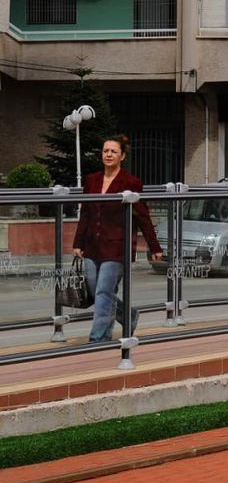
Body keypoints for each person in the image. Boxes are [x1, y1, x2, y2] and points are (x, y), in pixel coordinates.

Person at [72, 135, 163, 342]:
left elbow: (142, 216)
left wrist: (154, 246)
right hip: (92, 245)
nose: (108, 155)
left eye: (113, 151)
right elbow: (85, 212)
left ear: (122, 155)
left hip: (116, 247)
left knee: (104, 291)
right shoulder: (92, 180)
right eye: (105, 151)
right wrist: (78, 242)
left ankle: (98, 338)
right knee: (97, 291)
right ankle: (127, 315)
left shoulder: (130, 182)